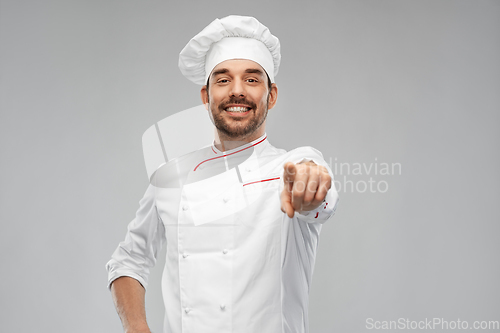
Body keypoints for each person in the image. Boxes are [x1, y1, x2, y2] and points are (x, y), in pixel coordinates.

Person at [106, 15, 339, 333]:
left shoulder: (291, 166)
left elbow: (315, 186)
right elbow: (129, 259)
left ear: (270, 96)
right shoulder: (170, 177)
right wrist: (136, 328)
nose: (237, 91)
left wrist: (312, 186)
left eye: (252, 80)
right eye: (223, 80)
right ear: (206, 96)